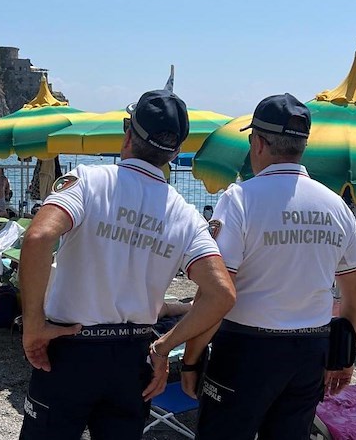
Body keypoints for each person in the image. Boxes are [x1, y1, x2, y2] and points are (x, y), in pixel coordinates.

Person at [18, 89, 236, 440]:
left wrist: (33, 325)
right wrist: (164, 347)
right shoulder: (185, 214)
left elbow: (39, 238)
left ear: (127, 133)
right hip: (133, 355)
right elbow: (222, 294)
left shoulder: (90, 181)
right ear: (177, 151)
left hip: (71, 348)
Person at [182, 93, 356, 440]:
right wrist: (344, 355)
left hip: (246, 350)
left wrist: (192, 358)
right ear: (303, 146)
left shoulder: (239, 200)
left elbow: (218, 292)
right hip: (310, 351)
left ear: (258, 143)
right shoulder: (336, 207)